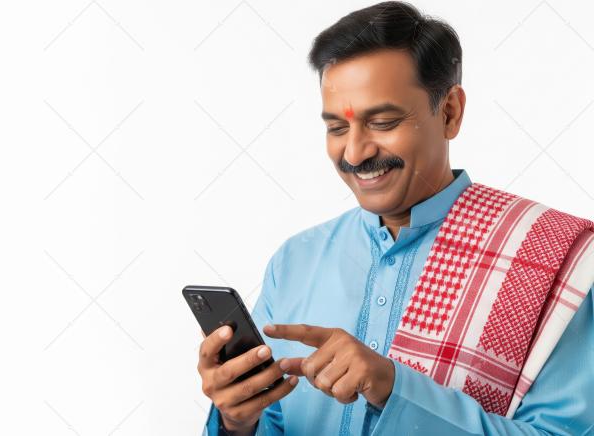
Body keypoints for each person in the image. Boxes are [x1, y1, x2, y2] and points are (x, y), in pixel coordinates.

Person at [196, 2, 594, 435]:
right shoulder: (295, 263)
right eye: (337, 128)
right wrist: (237, 421)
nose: (355, 153)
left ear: (449, 113)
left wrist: (394, 389)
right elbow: (275, 424)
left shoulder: (553, 260)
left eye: (383, 122)